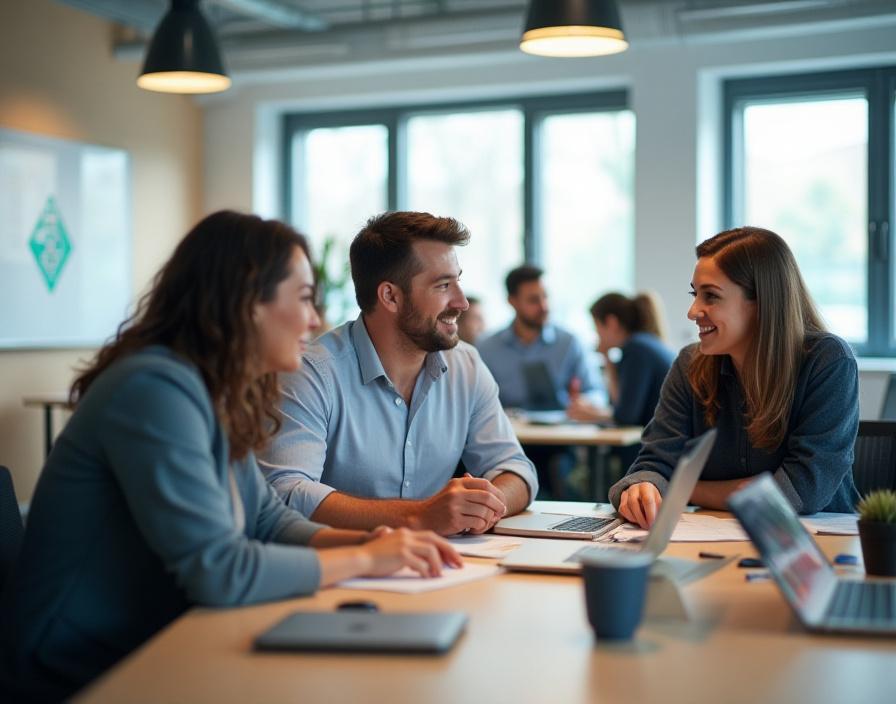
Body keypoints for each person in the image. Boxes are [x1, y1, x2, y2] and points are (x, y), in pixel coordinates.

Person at [0, 211, 460, 702]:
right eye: (304, 298)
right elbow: (219, 570)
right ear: (248, 302)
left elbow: (266, 521)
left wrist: (376, 542)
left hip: (155, 644)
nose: (315, 320)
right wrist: (363, 558)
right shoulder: (153, 389)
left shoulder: (211, 391)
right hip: (78, 673)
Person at [257, 211, 537, 535]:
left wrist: (480, 505)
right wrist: (418, 516)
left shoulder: (466, 366)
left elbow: (516, 469)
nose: (461, 302)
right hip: (340, 571)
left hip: (440, 566)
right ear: (390, 296)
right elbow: (286, 492)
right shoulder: (312, 373)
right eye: (443, 285)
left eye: (457, 281)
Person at [608, 227, 861, 529]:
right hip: (713, 539)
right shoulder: (689, 365)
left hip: (817, 545)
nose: (692, 311)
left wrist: (683, 488)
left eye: (711, 296)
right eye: (695, 294)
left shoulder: (828, 361)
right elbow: (652, 465)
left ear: (763, 303)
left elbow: (801, 491)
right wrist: (642, 488)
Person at [477, 264, 598, 498]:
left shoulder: (569, 343)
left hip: (560, 443)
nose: (544, 306)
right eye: (533, 300)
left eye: (545, 297)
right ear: (512, 301)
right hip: (507, 441)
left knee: (562, 477)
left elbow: (596, 391)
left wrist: (585, 402)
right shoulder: (487, 348)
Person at [566, 292, 675, 471]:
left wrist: (590, 415)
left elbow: (626, 416)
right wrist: (607, 359)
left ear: (611, 322)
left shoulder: (636, 349)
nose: (596, 335)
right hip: (665, 444)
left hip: (657, 450)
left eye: (596, 328)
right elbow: (621, 406)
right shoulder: (644, 343)